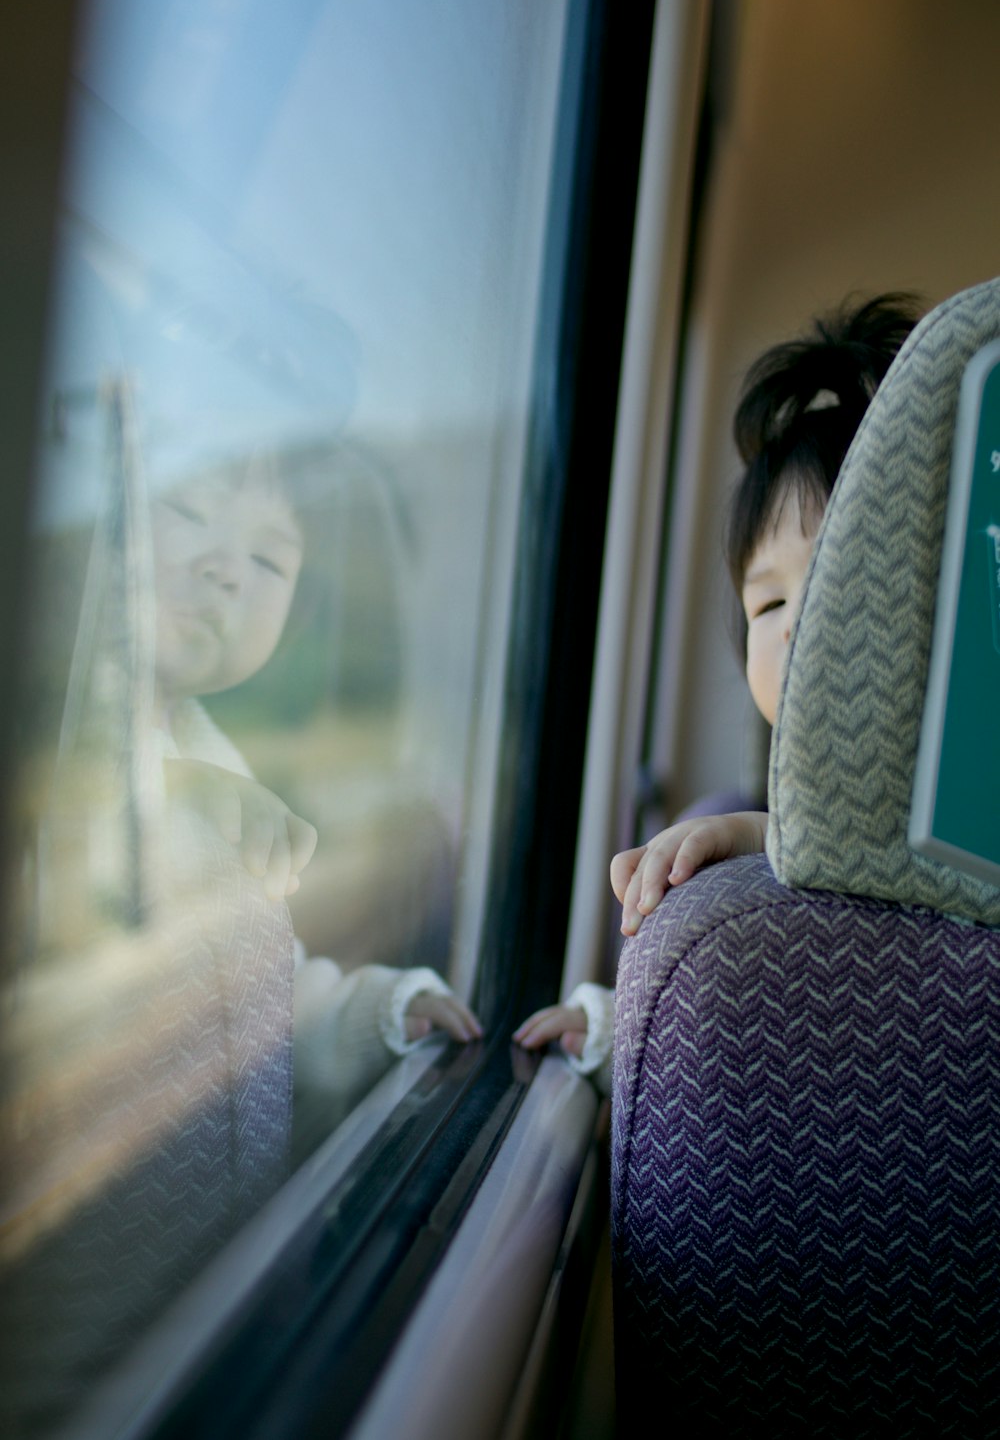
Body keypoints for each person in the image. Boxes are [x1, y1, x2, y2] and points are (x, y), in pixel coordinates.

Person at [513, 293, 921, 1095]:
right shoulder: (724, 817)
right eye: (768, 603)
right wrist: (608, 1024)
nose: (801, 623)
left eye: (844, 573)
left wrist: (772, 840)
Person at [148, 453, 482, 1086]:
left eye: (268, 561)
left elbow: (261, 987)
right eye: (191, 511)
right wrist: (176, 786)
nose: (226, 571)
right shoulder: (52, 718)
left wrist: (373, 1014)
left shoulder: (217, 752)